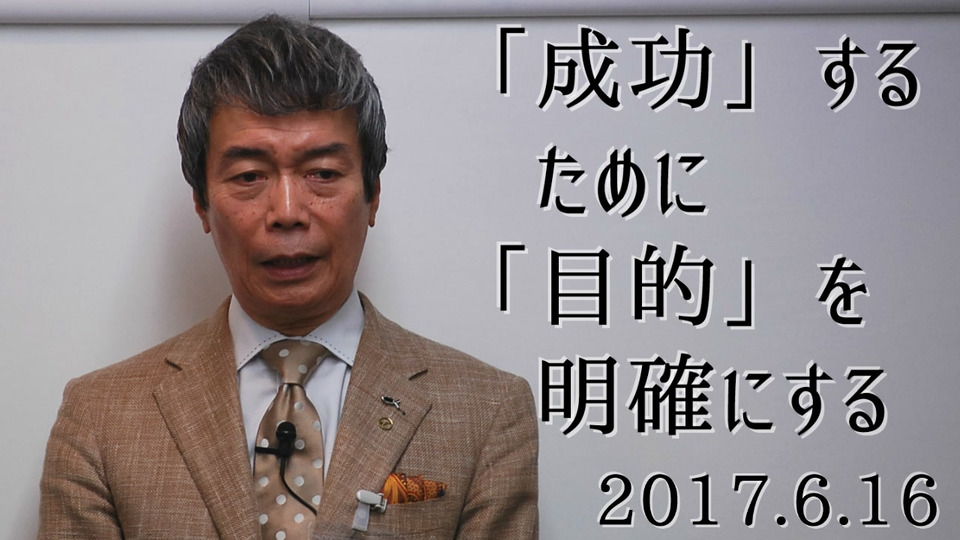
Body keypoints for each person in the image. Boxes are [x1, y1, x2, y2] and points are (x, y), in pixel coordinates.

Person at [38, 14, 538, 539]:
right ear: (202, 204)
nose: (287, 211)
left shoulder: (486, 411)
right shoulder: (100, 418)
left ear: (373, 195)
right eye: (249, 176)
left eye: (322, 173)